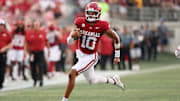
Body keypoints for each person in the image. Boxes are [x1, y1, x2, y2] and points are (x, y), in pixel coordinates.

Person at [61, 2, 125, 101]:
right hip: (81, 54)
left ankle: (64, 100)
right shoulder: (80, 22)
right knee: (92, 80)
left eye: (93, 13)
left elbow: (116, 38)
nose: (90, 15)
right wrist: (73, 37)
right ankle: (114, 81)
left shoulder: (102, 25)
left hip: (90, 56)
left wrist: (117, 55)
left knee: (72, 74)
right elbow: (69, 41)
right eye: (89, 13)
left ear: (98, 14)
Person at [25, 20, 50, 87]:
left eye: (37, 25)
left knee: (41, 66)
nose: (36, 26)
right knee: (32, 67)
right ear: (33, 26)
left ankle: (41, 80)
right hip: (32, 53)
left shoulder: (43, 33)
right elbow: (26, 43)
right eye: (35, 25)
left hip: (40, 52)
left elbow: (46, 41)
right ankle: (35, 79)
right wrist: (26, 51)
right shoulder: (29, 33)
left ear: (39, 26)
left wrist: (48, 50)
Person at [0, 19, 12, 89]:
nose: (1, 27)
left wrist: (5, 48)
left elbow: (10, 43)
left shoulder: (7, 33)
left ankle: (1, 82)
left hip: (3, 53)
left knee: (2, 68)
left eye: (2, 25)